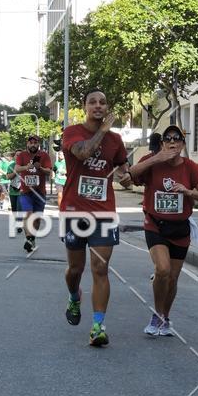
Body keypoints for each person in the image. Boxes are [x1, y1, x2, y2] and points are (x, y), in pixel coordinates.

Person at [60, 89, 132, 347]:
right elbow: (83, 153)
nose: (98, 106)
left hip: (103, 212)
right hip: (75, 211)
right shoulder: (72, 132)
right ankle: (73, 295)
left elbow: (124, 172)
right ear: (85, 107)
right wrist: (103, 131)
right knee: (75, 270)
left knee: (100, 269)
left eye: (103, 102)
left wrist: (125, 177)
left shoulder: (116, 140)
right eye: (93, 102)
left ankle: (98, 326)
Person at [130, 124, 198, 337]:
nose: (173, 142)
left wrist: (187, 191)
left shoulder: (190, 167)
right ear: (163, 143)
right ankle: (156, 314)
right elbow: (131, 176)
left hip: (180, 228)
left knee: (172, 278)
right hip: (155, 224)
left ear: (183, 144)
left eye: (177, 139)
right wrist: (156, 158)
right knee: (163, 270)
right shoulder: (151, 162)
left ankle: (165, 317)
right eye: (168, 139)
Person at [15, 135, 53, 253]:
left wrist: (40, 168)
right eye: (30, 143)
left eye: (35, 143)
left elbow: (49, 171)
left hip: (40, 192)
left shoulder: (44, 155)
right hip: (26, 192)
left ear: (38, 144)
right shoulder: (22, 155)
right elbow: (16, 168)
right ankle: (29, 239)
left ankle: (32, 239)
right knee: (28, 215)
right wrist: (27, 167)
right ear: (27, 144)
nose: (33, 145)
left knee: (36, 219)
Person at [6, 150, 23, 231]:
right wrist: (15, 172)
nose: (18, 156)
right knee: (14, 209)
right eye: (17, 155)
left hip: (22, 190)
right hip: (13, 189)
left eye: (20, 155)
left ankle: (19, 224)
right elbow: (8, 177)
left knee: (19, 207)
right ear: (14, 156)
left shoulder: (26, 165)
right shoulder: (11, 165)